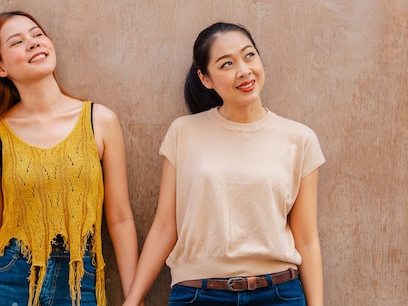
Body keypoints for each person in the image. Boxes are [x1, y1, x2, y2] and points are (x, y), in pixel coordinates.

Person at [0, 11, 140, 306]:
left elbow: (120, 218)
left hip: (78, 287)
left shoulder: (99, 120)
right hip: (8, 283)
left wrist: (134, 297)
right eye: (17, 42)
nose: (33, 43)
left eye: (37, 35)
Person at [123, 22, 325, 306]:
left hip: (278, 293)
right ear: (206, 79)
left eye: (249, 55)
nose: (243, 70)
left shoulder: (300, 138)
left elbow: (306, 239)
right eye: (226, 64)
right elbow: (165, 227)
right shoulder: (184, 132)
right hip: (197, 294)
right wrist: (133, 299)